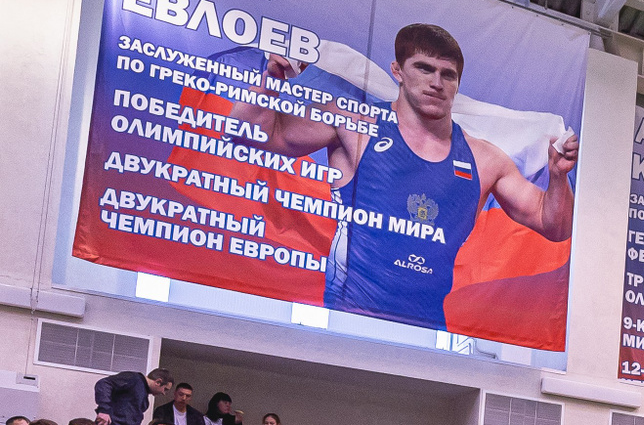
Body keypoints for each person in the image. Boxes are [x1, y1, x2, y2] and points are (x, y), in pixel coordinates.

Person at [231, 25, 577, 330]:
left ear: (458, 84)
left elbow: (555, 225)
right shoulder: (355, 126)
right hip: (348, 322)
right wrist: (271, 77)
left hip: (425, 333)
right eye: (424, 68)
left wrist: (558, 177)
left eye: (448, 74)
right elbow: (249, 134)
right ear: (397, 71)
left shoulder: (484, 159)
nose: (436, 82)